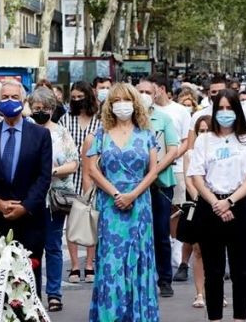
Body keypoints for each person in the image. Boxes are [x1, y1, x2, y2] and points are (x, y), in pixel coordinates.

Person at [85, 83, 160, 321]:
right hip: (110, 205)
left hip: (140, 205)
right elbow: (93, 169)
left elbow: (153, 171)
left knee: (139, 259)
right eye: (116, 100)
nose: (121, 105)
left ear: (135, 102)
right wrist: (117, 194)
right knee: (111, 262)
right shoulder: (101, 133)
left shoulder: (147, 133)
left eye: (125, 99)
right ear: (110, 105)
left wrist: (133, 194)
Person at [0, 80, 52, 293]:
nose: (10, 102)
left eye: (15, 97)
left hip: (29, 220)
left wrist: (25, 207)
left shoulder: (40, 135)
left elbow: (44, 177)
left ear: (24, 101)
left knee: (26, 281)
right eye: (5, 97)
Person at [188, 89, 246, 322]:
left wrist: (230, 201)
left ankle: (240, 317)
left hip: (240, 205)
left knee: (241, 271)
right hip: (210, 207)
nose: (225, 113)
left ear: (237, 110)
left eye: (230, 108)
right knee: (214, 272)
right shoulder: (204, 140)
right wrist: (216, 202)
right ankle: (215, 318)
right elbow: (197, 175)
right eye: (221, 108)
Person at [28, 87, 79, 312]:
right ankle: (31, 291)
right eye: (37, 108)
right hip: (29, 198)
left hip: (55, 198)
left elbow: (73, 163)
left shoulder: (61, 133)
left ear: (52, 109)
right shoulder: (25, 130)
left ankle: (54, 293)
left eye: (45, 108)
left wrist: (52, 172)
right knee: (30, 247)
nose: (41, 111)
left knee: (53, 246)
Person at [136, 80, 181, 297]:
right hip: (134, 184)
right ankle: (141, 277)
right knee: (138, 233)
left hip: (161, 183)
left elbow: (174, 149)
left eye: (148, 92)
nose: (144, 95)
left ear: (156, 94)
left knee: (161, 232)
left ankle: (165, 279)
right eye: (140, 92)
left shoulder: (163, 118)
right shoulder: (129, 120)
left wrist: (155, 169)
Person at [58, 81, 100, 284]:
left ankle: (90, 263)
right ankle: (75, 265)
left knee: (92, 219)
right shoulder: (66, 119)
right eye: (73, 98)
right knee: (72, 221)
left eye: (80, 97)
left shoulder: (99, 121)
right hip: (70, 175)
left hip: (95, 174)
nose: (76, 101)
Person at [186, 116, 212, 309]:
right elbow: (190, 180)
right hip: (198, 204)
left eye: (207, 130)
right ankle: (200, 293)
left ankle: (215, 290)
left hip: (219, 204)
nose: (204, 134)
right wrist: (201, 198)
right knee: (198, 250)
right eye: (200, 131)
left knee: (218, 250)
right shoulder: (190, 153)